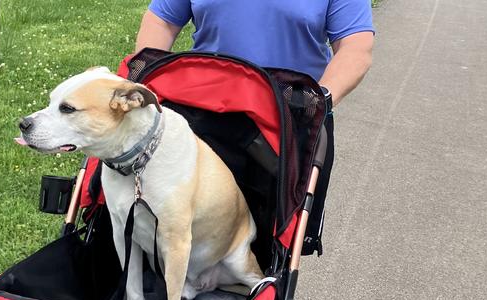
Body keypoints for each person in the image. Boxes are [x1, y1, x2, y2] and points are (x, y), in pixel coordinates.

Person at [134, 0, 374, 255]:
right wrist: (144, 82)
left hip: (286, 124)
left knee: (268, 245)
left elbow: (355, 46)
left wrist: (318, 99)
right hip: (205, 114)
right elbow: (163, 21)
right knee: (179, 228)